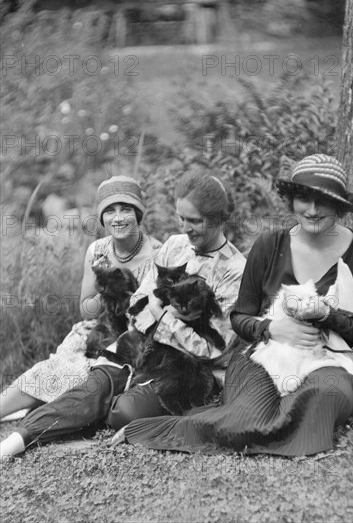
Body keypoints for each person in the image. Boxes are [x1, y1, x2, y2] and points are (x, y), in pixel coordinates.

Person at [117, 154, 353, 456]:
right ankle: (171, 429)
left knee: (328, 393)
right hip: (263, 357)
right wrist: (273, 328)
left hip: (324, 361)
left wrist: (327, 314)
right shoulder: (269, 245)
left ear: (339, 206)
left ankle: (294, 424)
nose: (312, 210)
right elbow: (240, 319)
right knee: (245, 416)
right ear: (292, 200)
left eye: (323, 201)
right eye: (303, 199)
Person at [0, 170, 246, 460]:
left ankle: (100, 408)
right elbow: (138, 302)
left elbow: (211, 349)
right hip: (138, 347)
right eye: (181, 218)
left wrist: (159, 313)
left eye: (194, 221)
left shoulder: (234, 269)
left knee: (122, 412)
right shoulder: (175, 245)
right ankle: (16, 440)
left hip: (186, 370)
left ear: (218, 218)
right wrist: (169, 316)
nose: (185, 227)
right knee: (95, 386)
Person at [0, 175, 161, 420]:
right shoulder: (97, 250)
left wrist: (125, 293)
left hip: (133, 339)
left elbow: (153, 319)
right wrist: (104, 287)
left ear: (138, 213)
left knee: (82, 375)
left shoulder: (157, 254)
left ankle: (39, 408)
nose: (117, 218)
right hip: (95, 330)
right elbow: (86, 311)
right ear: (102, 217)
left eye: (125, 209)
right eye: (109, 211)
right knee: (52, 368)